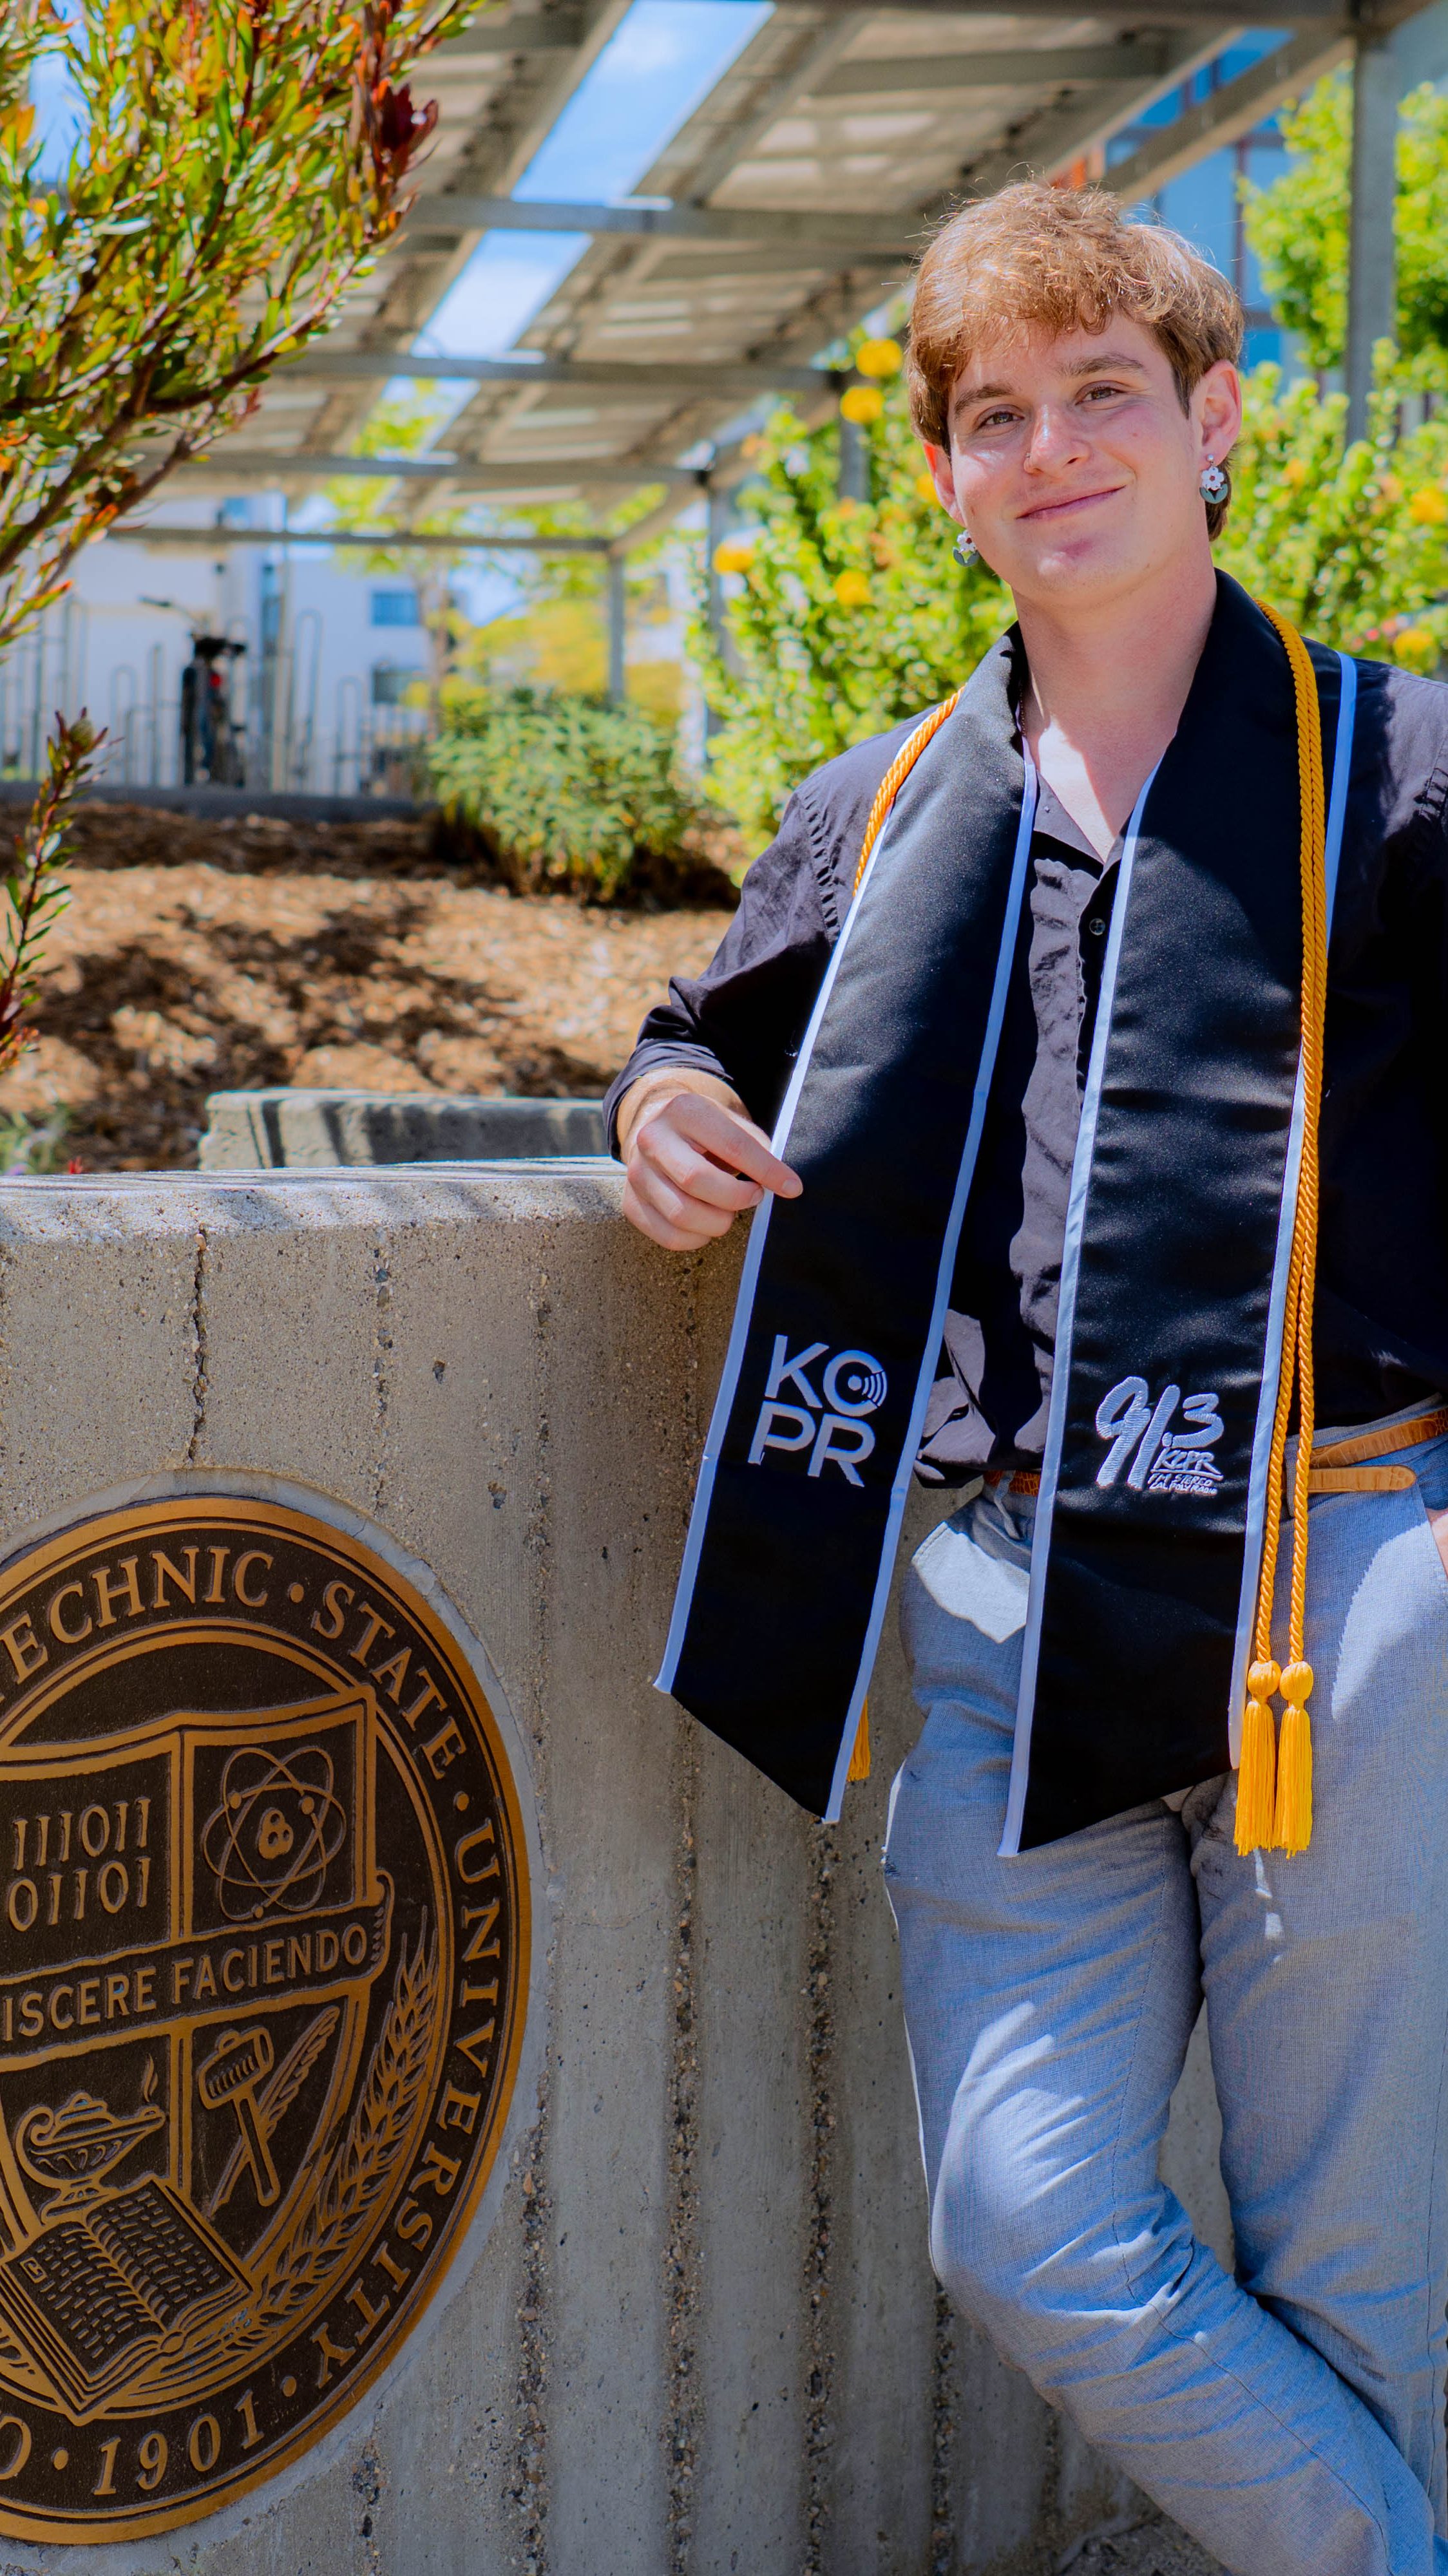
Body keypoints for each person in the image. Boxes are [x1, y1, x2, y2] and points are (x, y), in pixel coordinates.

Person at [605, 181, 1448, 2576]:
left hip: (1335, 1604)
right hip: (998, 1603)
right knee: (1027, 2223)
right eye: (997, 415)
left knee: (1352, 2273)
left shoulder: (1400, 773)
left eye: (1103, 394)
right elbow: (697, 1035)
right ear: (947, 476)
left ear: (1216, 420)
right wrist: (660, 1115)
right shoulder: (879, 811)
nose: (1051, 450)